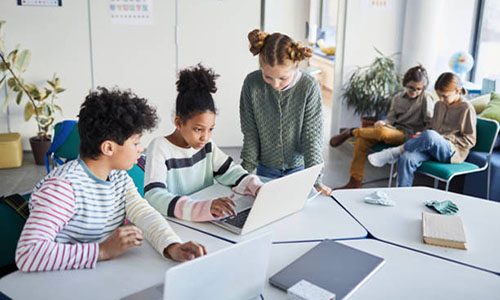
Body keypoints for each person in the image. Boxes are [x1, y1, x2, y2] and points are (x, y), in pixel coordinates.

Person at [15, 87, 206, 272]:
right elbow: (27, 254)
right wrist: (103, 250)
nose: (140, 149)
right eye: (136, 143)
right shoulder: (63, 188)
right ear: (108, 148)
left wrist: (172, 246)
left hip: (101, 273)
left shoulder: (118, 177)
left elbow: (144, 214)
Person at [144, 64, 263, 221]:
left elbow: (229, 171)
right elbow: (154, 195)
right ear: (179, 123)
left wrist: (255, 186)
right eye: (198, 129)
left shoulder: (207, 145)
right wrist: (201, 208)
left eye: (210, 129)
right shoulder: (160, 147)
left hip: (205, 220)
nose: (205, 137)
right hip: (177, 223)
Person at [240, 29, 331, 195]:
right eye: (268, 77)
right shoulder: (251, 84)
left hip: (298, 169)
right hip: (266, 168)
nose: (275, 84)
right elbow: (250, 132)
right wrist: (243, 175)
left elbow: (312, 137)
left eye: (283, 78)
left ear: (296, 67)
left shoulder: (308, 87)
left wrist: (316, 181)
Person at [329, 65, 435, 189]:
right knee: (362, 141)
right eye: (411, 88)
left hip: (409, 135)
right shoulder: (397, 98)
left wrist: (421, 135)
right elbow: (390, 119)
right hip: (393, 129)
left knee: (382, 133)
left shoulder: (426, 98)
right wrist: (383, 122)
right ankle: (355, 181)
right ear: (405, 84)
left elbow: (430, 122)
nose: (414, 91)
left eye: (418, 89)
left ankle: (351, 132)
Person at [367, 72, 476, 187]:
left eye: (445, 96)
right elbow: (432, 128)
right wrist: (423, 135)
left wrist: (438, 137)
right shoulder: (439, 105)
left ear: (457, 91)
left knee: (430, 135)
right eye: (439, 96)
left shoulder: (466, 108)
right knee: (406, 158)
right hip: (432, 146)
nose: (441, 99)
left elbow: (470, 140)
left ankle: (394, 152)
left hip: (451, 152)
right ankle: (402, 195)